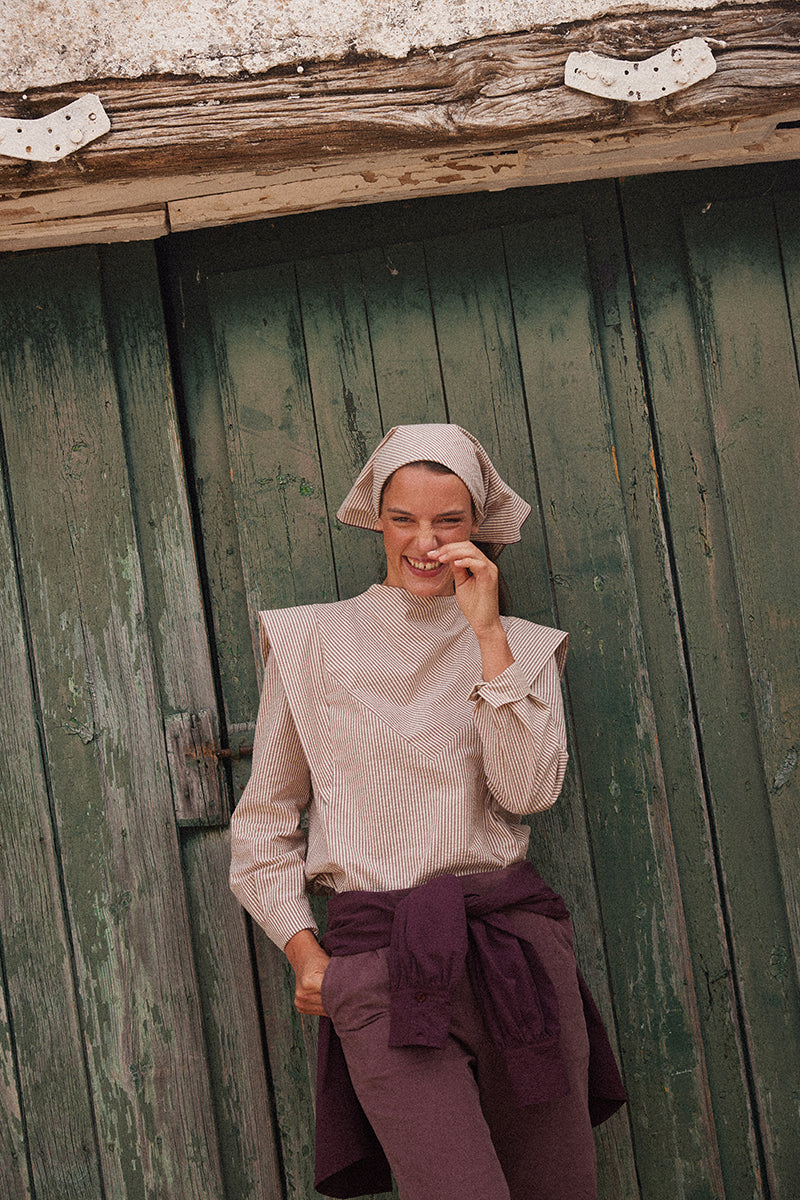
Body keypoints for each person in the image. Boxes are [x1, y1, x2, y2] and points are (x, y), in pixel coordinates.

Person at [229, 423, 625, 1200]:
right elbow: (265, 819)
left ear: (477, 525)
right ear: (377, 518)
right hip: (378, 963)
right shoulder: (309, 641)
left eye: (448, 521)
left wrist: (487, 634)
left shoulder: (521, 647)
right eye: (404, 518)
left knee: (556, 1186)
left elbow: (528, 792)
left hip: (513, 953)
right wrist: (307, 956)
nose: (425, 542)